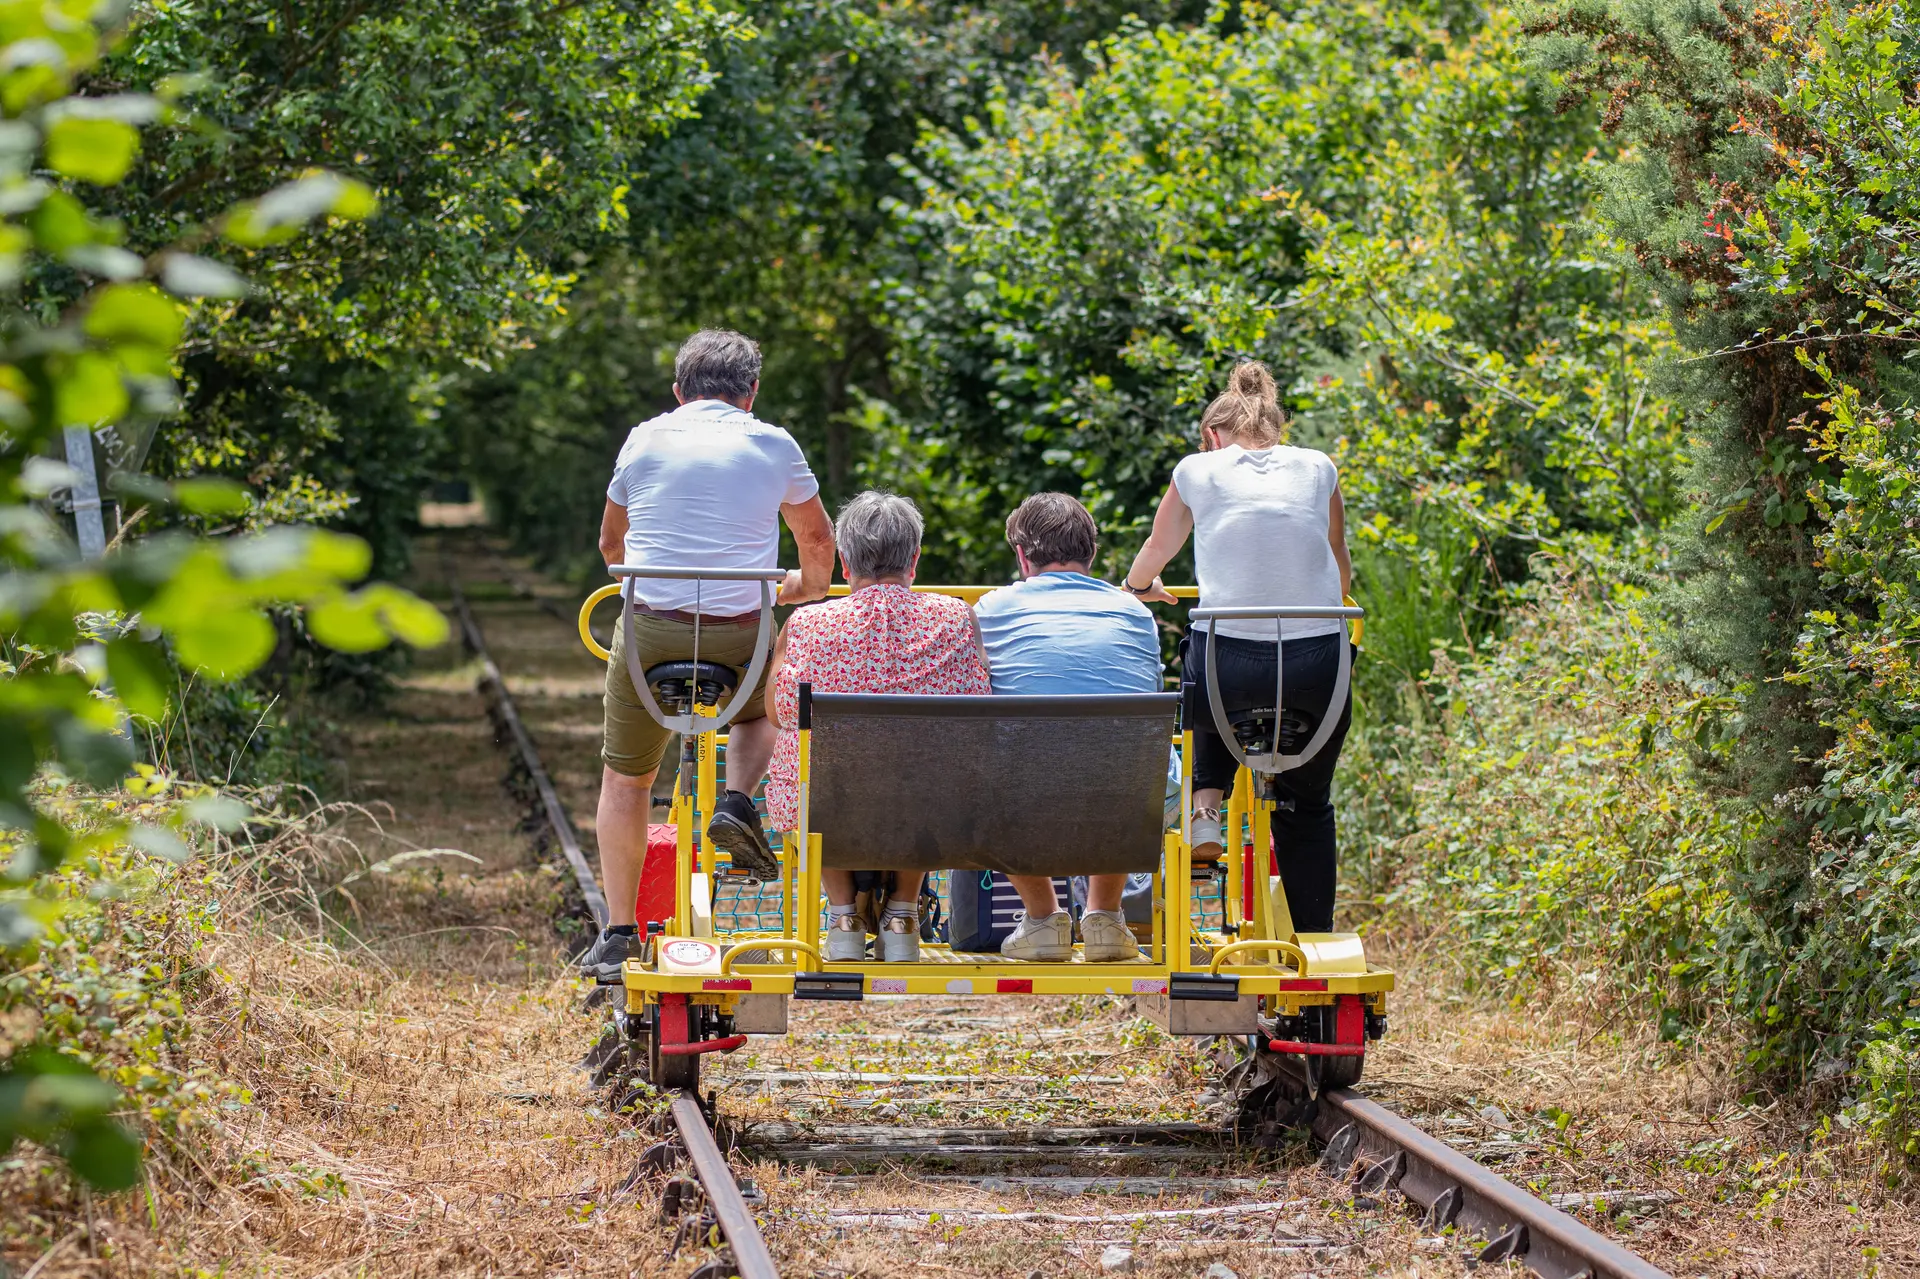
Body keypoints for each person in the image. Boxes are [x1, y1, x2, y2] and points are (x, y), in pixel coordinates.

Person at [580, 329, 836, 979]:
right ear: (751, 393)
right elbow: (817, 537)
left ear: (677, 392)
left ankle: (615, 931)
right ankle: (736, 799)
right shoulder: (774, 442)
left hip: (650, 632)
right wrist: (803, 590)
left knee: (624, 779)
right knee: (762, 711)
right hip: (740, 630)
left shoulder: (642, 436)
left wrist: (636, 570)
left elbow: (612, 541)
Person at [1121, 361, 1353, 934]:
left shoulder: (1196, 470)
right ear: (1279, 430)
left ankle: (1206, 805)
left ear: (1211, 437)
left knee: (1206, 667)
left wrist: (1134, 587)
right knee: (1309, 806)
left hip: (1231, 664)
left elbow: (1160, 545)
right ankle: (1314, 942)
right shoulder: (1318, 467)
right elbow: (1337, 557)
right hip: (1319, 659)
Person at [765, 491, 991, 962]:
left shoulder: (806, 623)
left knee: (814, 767)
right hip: (934, 811)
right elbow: (978, 706)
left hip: (825, 806)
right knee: (935, 773)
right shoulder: (956, 618)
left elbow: (777, 712)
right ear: (914, 559)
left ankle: (843, 916)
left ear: (844, 563)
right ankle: (904, 911)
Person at [972, 493, 1158, 963]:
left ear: (1021, 555)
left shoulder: (991, 609)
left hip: (1024, 797)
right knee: (1121, 752)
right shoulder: (1137, 613)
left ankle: (1042, 918)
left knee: (987, 764)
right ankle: (1105, 917)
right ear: (1091, 554)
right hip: (1131, 797)